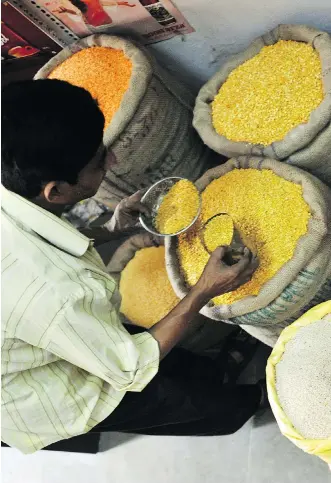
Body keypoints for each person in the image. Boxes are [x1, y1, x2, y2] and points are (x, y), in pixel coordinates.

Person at [1, 79, 263, 454]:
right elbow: (129, 366)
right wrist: (203, 289)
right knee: (175, 400)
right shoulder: (61, 293)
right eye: (98, 160)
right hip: (48, 391)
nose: (113, 161)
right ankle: (246, 405)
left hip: (30, 330)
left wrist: (110, 229)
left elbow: (40, 238)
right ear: (55, 191)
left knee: (168, 358)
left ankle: (218, 370)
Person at [53, 0, 135, 30]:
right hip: (95, 25)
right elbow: (76, 12)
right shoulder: (66, 1)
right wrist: (66, 10)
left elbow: (99, 2)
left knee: (118, 32)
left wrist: (119, 3)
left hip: (106, 18)